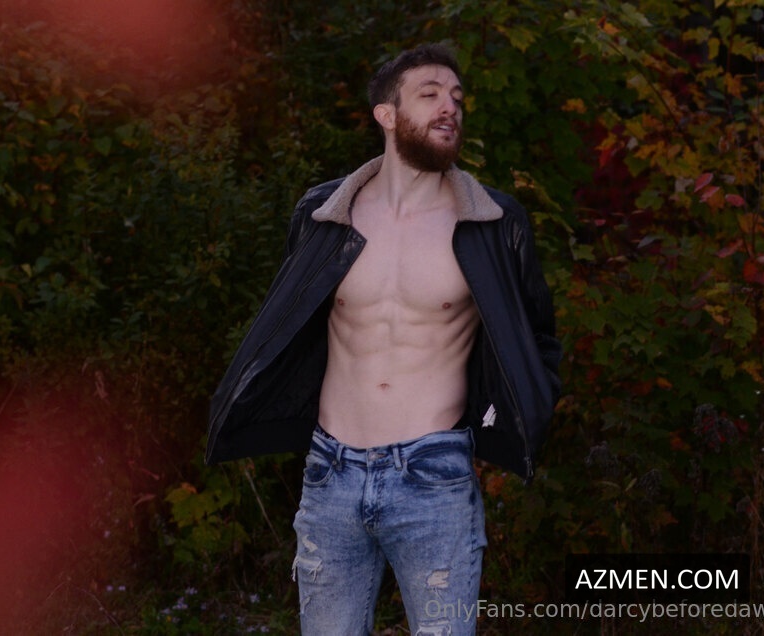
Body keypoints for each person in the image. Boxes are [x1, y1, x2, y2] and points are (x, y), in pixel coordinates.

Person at [206, 43, 561, 635]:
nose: (449, 108)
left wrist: (521, 417)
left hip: (434, 477)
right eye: (430, 95)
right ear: (387, 114)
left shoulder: (493, 224)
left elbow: (538, 339)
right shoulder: (325, 215)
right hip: (330, 473)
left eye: (457, 98)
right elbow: (291, 325)